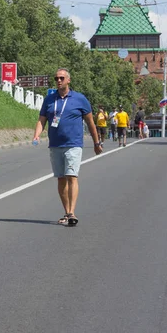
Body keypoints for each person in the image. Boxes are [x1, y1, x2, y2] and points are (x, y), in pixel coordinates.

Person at [32, 68, 102, 226]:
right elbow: (42, 120)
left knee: (71, 176)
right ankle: (66, 211)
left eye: (62, 78)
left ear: (68, 80)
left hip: (73, 144)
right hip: (55, 145)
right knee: (61, 178)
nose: (58, 80)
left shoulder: (80, 99)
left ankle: (71, 212)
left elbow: (91, 123)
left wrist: (97, 143)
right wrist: (37, 134)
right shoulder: (50, 99)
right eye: (56, 78)